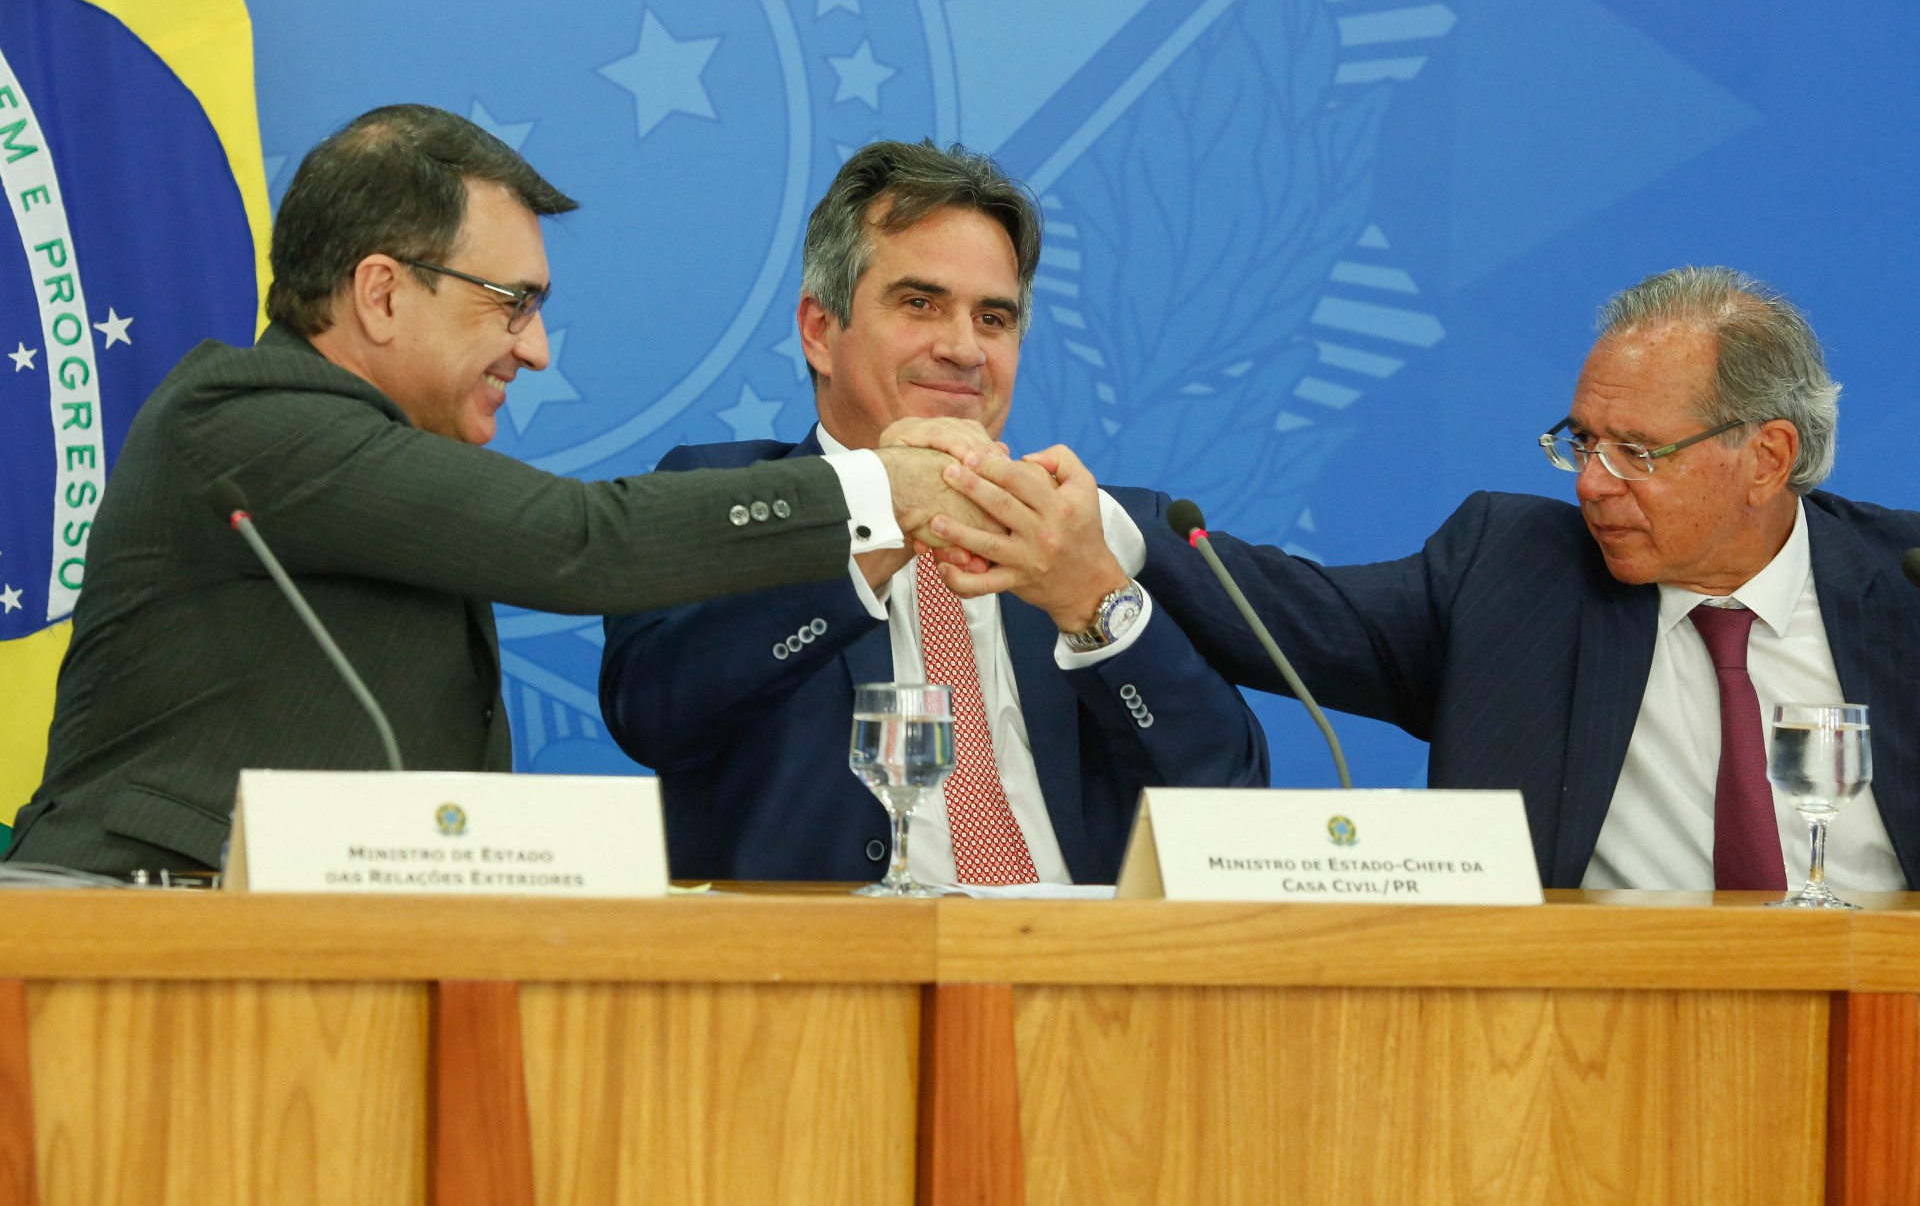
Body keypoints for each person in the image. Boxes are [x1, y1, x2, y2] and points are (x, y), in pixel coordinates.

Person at [6, 105, 983, 877]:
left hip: (312, 960)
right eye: (512, 302)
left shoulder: (382, 458)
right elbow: (582, 542)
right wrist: (871, 490)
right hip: (129, 935)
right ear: (383, 292)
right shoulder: (246, 419)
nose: (535, 347)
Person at [934, 266, 1920, 891]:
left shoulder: (1906, 592)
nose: (1591, 483)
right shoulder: (1518, 574)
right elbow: (1275, 607)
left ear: (1767, 456)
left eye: (1637, 452)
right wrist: (1086, 519)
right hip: (1581, 1060)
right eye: (1581, 442)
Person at [598, 140, 1267, 886]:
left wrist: (1091, 599)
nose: (964, 348)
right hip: (830, 976)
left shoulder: (1086, 529)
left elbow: (1227, 804)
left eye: (993, 318)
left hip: (1073, 970)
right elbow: (653, 715)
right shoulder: (720, 491)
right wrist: (876, 522)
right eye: (920, 303)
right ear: (820, 330)